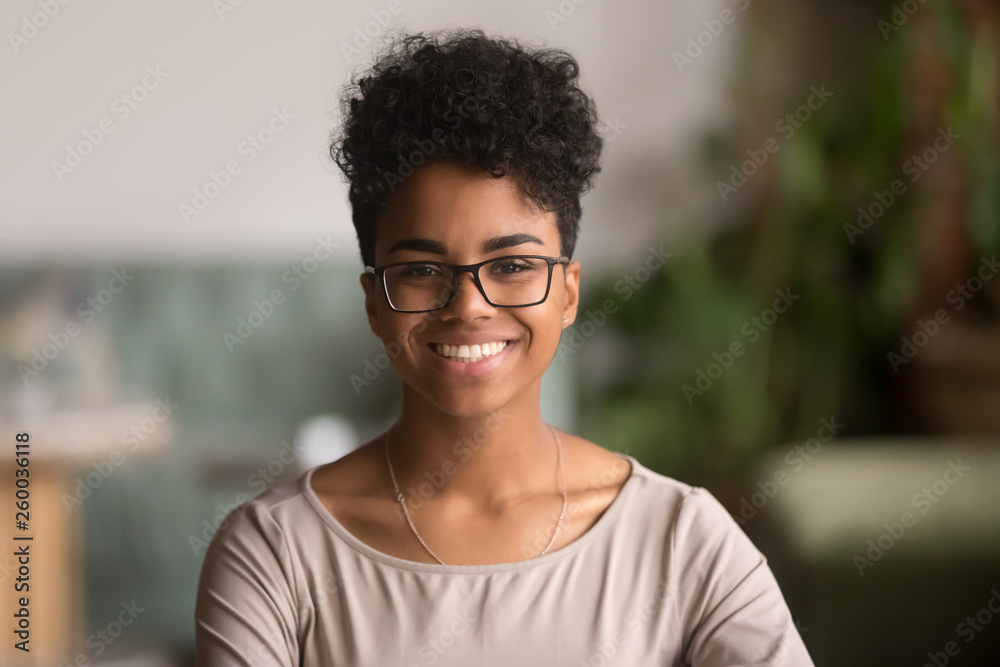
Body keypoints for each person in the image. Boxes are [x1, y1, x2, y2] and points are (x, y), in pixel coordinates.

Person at [194, 27, 814, 666]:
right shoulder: (274, 555)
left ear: (568, 293)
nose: (468, 306)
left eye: (512, 266)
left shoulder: (681, 540)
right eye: (422, 269)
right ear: (375, 301)